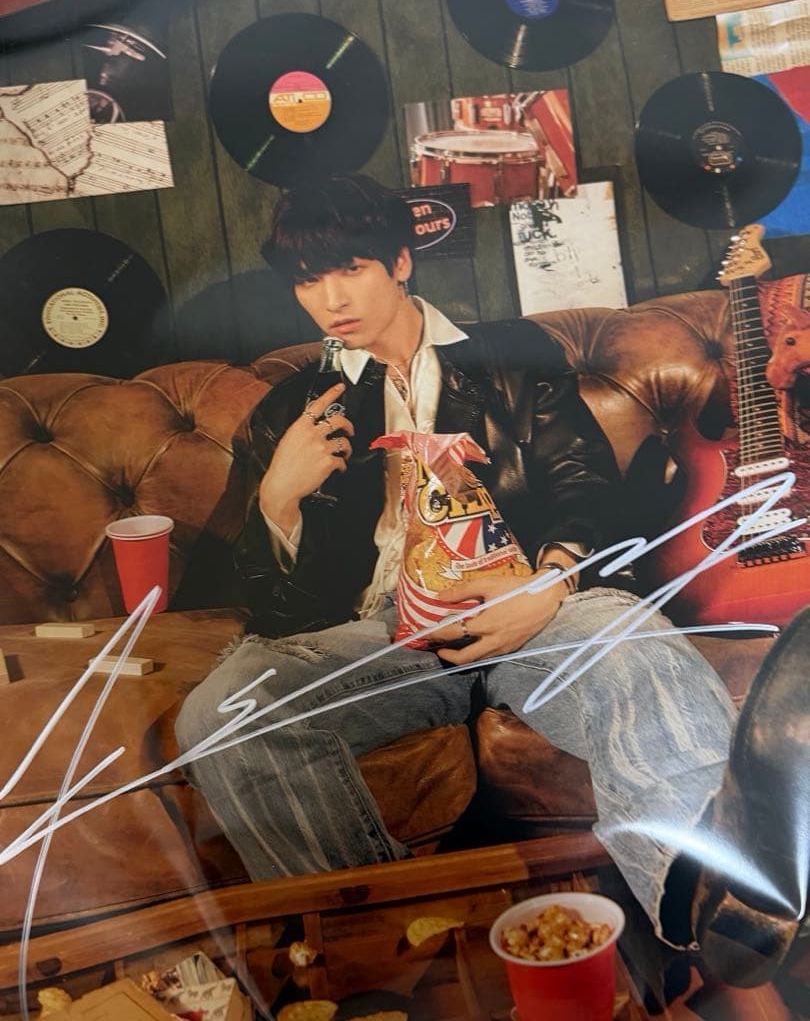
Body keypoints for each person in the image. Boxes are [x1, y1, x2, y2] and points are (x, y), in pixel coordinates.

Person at [176, 175, 809, 988]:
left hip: (532, 606)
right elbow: (277, 614)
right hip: (383, 639)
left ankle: (714, 903)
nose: (330, 299)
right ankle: (383, 951)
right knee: (221, 713)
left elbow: (586, 489)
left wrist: (546, 586)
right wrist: (277, 502)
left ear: (401, 262)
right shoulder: (294, 409)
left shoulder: (511, 360)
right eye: (307, 280)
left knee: (633, 643)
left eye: (351, 268)